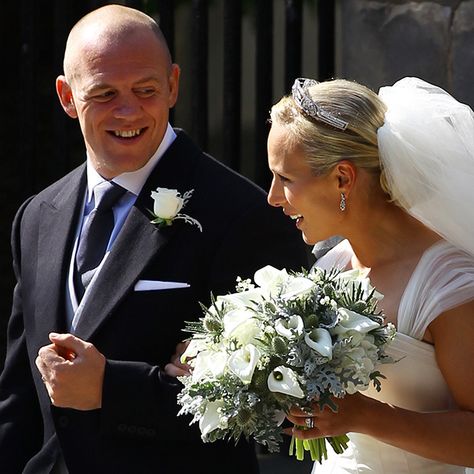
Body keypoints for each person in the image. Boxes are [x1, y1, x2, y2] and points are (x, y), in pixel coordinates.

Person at [0, 5, 310, 474]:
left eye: (145, 90)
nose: (128, 110)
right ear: (67, 96)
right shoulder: (37, 216)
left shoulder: (242, 213)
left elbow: (281, 405)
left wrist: (113, 388)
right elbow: (20, 395)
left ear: (173, 85)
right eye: (104, 93)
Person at [266, 77, 474, 473]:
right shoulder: (333, 267)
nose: (273, 197)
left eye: (286, 179)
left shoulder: (450, 285)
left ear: (343, 178)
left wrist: (367, 417)